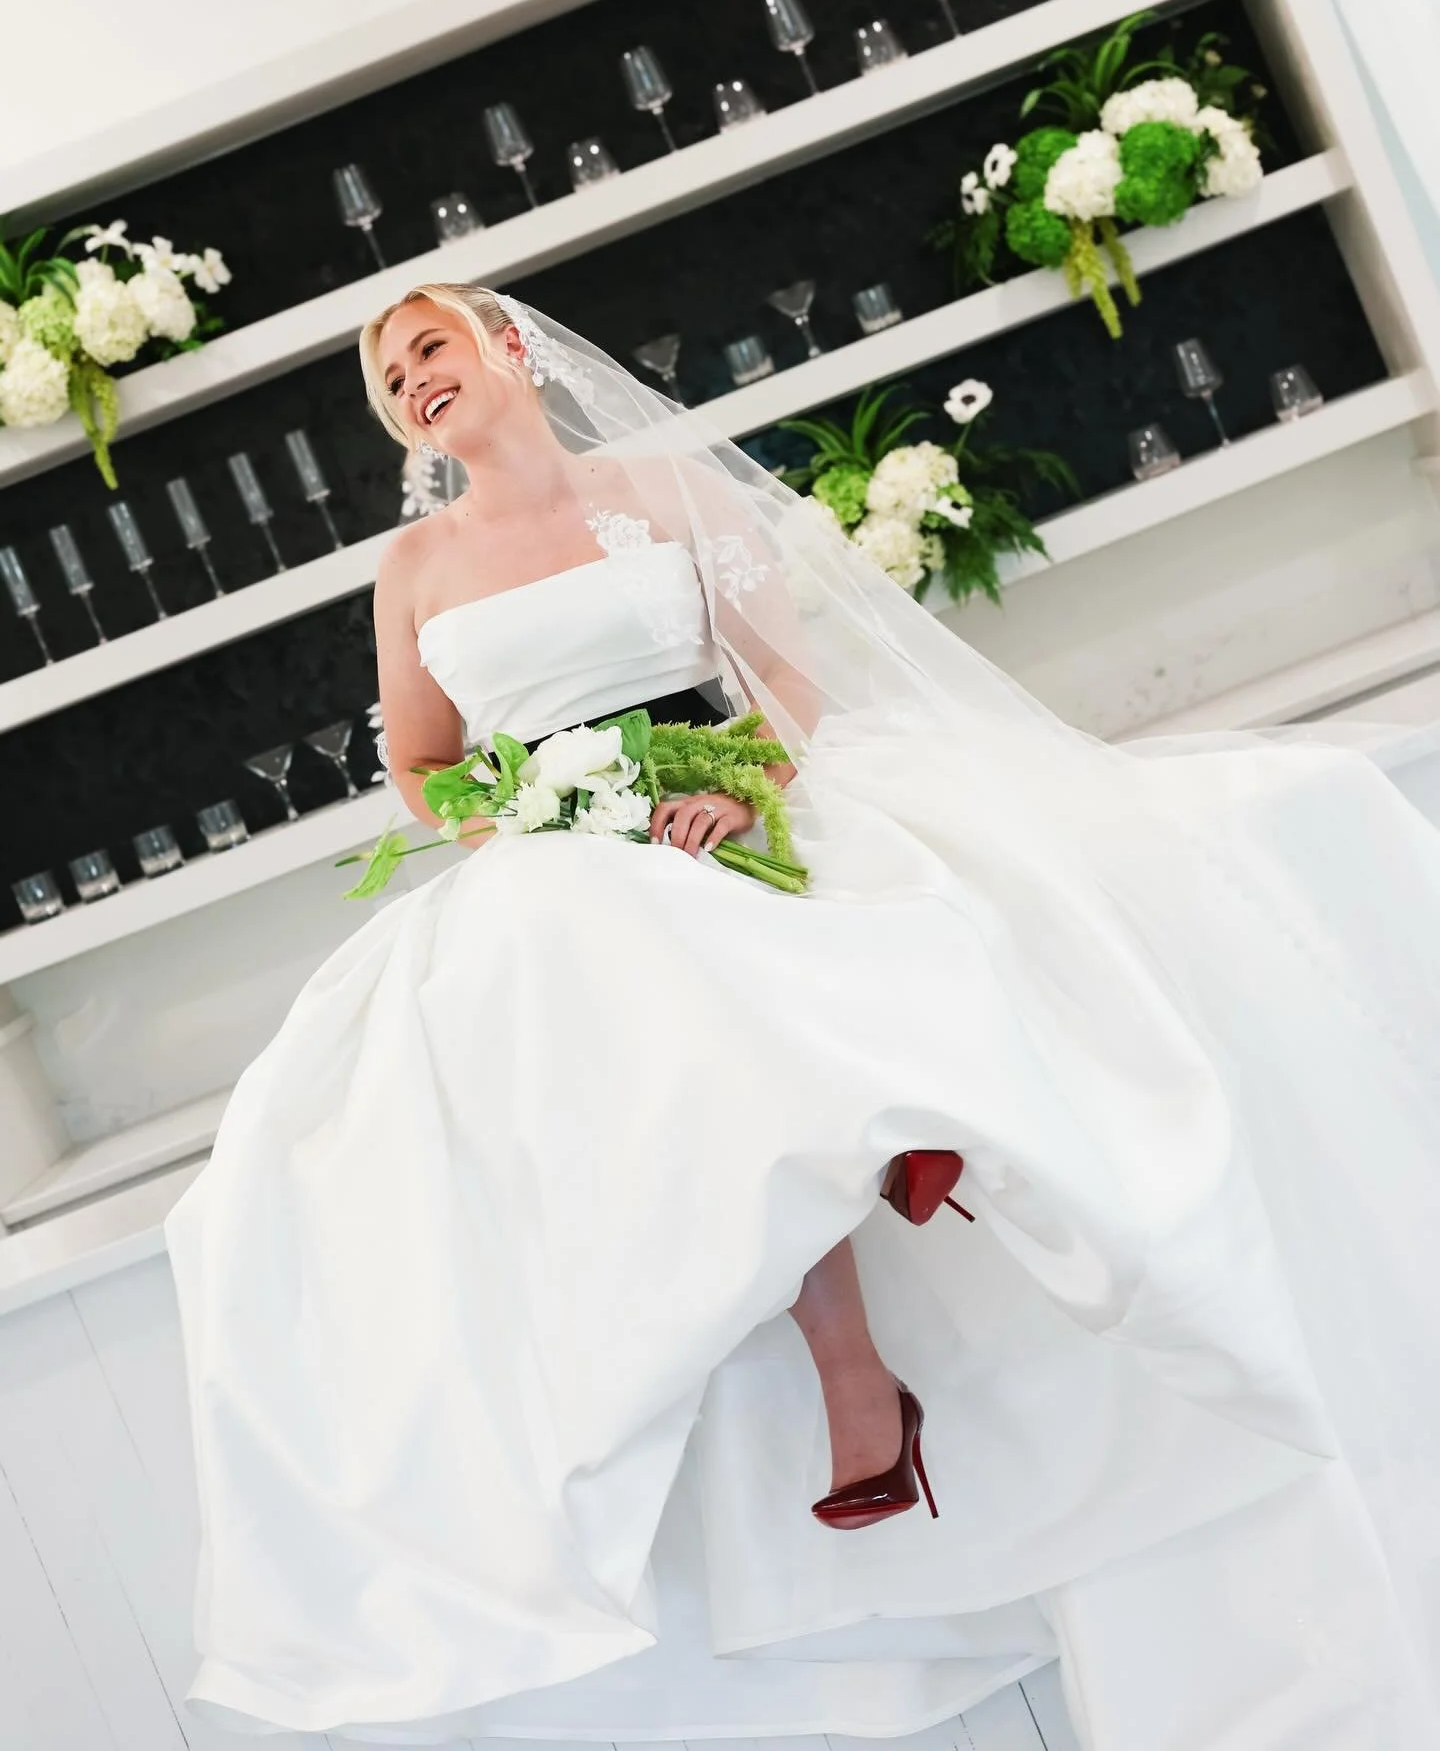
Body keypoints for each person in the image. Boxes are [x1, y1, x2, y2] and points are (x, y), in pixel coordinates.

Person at [165, 283, 1440, 1749]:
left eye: (429, 348)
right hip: (559, 864)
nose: (410, 384)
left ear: (510, 349)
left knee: (735, 936)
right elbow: (426, 766)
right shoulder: (413, 567)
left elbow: (781, 675)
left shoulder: (664, 488)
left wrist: (733, 789)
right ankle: (862, 1247)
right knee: (589, 950)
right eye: (388, 380)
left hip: (726, 804)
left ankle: (885, 1176)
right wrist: (534, 823)